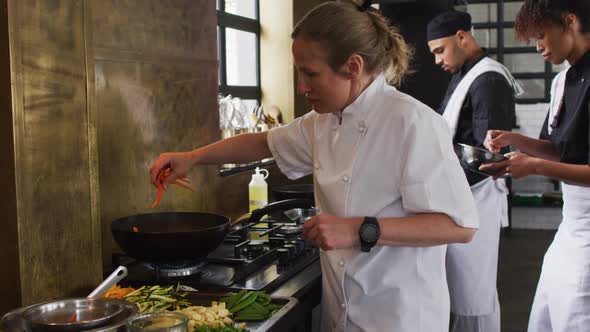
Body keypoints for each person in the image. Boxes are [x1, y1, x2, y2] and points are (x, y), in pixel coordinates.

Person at [150, 1, 479, 331]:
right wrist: (192, 157)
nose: (301, 87)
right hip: (342, 312)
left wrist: (357, 228)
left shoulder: (412, 123)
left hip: (400, 316)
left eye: (310, 73)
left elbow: (458, 226)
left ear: (352, 66)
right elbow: (263, 142)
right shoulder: (323, 121)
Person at [479, 1, 590, 331]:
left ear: (570, 22)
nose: (537, 45)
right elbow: (560, 150)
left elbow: (551, 163)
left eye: (541, 34)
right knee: (546, 314)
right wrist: (514, 139)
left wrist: (536, 168)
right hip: (570, 225)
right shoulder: (562, 82)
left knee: (576, 312)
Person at [426, 11, 523, 332]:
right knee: (460, 288)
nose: (437, 60)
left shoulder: (489, 79)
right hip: (460, 195)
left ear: (462, 38)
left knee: (473, 291)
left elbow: (488, 157)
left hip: (476, 196)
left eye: (440, 50)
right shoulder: (463, 73)